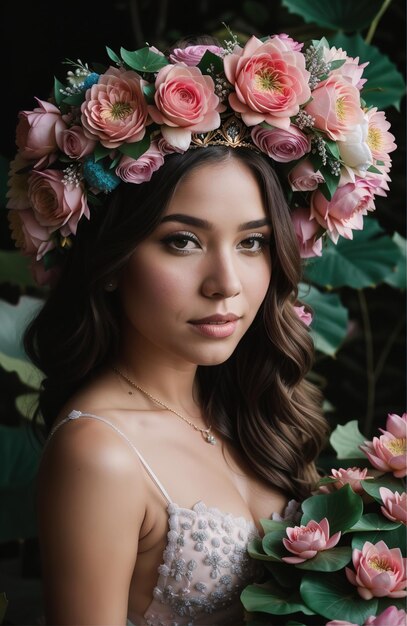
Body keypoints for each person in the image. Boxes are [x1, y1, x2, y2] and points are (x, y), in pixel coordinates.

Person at [6, 30, 395, 626]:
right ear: (112, 261)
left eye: (252, 242)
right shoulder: (99, 452)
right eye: (183, 241)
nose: (226, 283)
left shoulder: (246, 408)